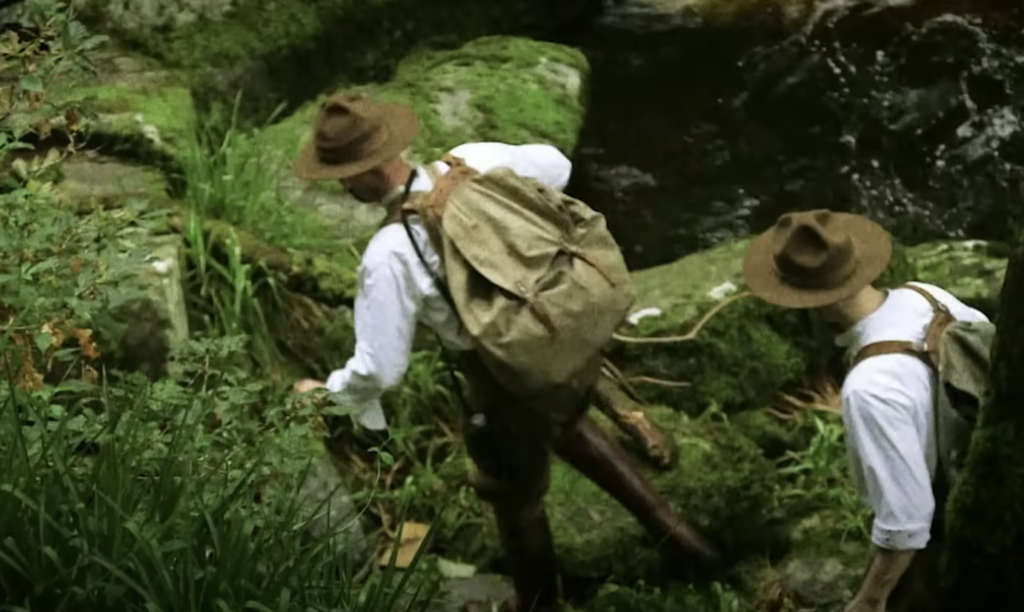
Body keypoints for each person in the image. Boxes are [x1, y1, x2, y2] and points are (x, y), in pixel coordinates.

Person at [290, 93, 718, 612]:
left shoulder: (389, 254)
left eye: (342, 174)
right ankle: (687, 545)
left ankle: (538, 607)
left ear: (361, 171)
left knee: (515, 501)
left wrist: (329, 393)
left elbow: (381, 368)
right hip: (563, 338)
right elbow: (557, 167)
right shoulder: (475, 159)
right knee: (570, 423)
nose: (341, 184)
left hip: (504, 378)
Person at [742, 209, 989, 612]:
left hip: (956, 538)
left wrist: (870, 599)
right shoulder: (927, 294)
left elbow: (907, 523)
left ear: (806, 302)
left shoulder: (869, 388)